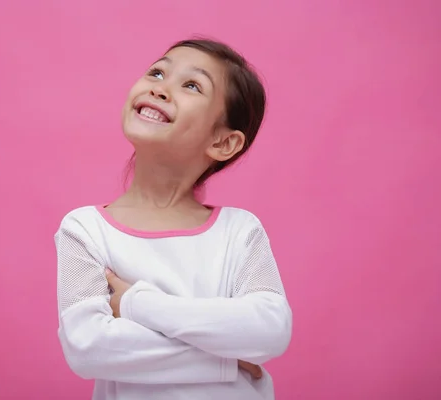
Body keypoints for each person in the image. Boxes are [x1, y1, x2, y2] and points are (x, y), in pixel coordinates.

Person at [54, 38, 293, 400]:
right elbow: (89, 348)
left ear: (223, 142)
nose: (161, 88)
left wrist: (136, 304)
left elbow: (271, 330)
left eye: (192, 85)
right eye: (157, 72)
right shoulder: (85, 230)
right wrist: (225, 360)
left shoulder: (240, 232)